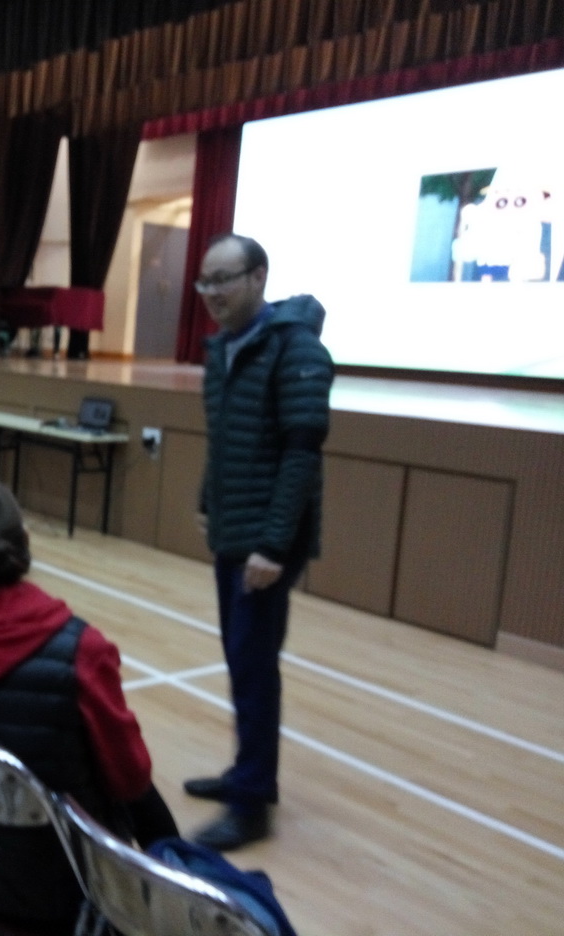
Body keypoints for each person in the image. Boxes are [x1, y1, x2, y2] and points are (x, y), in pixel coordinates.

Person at [0, 474, 178, 931]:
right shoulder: (82, 651)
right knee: (145, 805)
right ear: (25, 542)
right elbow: (130, 780)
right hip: (60, 881)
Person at [185, 233, 334, 851]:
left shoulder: (296, 350)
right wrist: (208, 500)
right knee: (240, 658)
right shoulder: (223, 348)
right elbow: (225, 438)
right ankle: (245, 772)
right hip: (234, 528)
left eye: (224, 278)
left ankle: (251, 803)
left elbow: (301, 456)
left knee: (253, 666)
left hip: (267, 543)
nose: (213, 292)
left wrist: (273, 546)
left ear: (258, 277)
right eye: (206, 281)